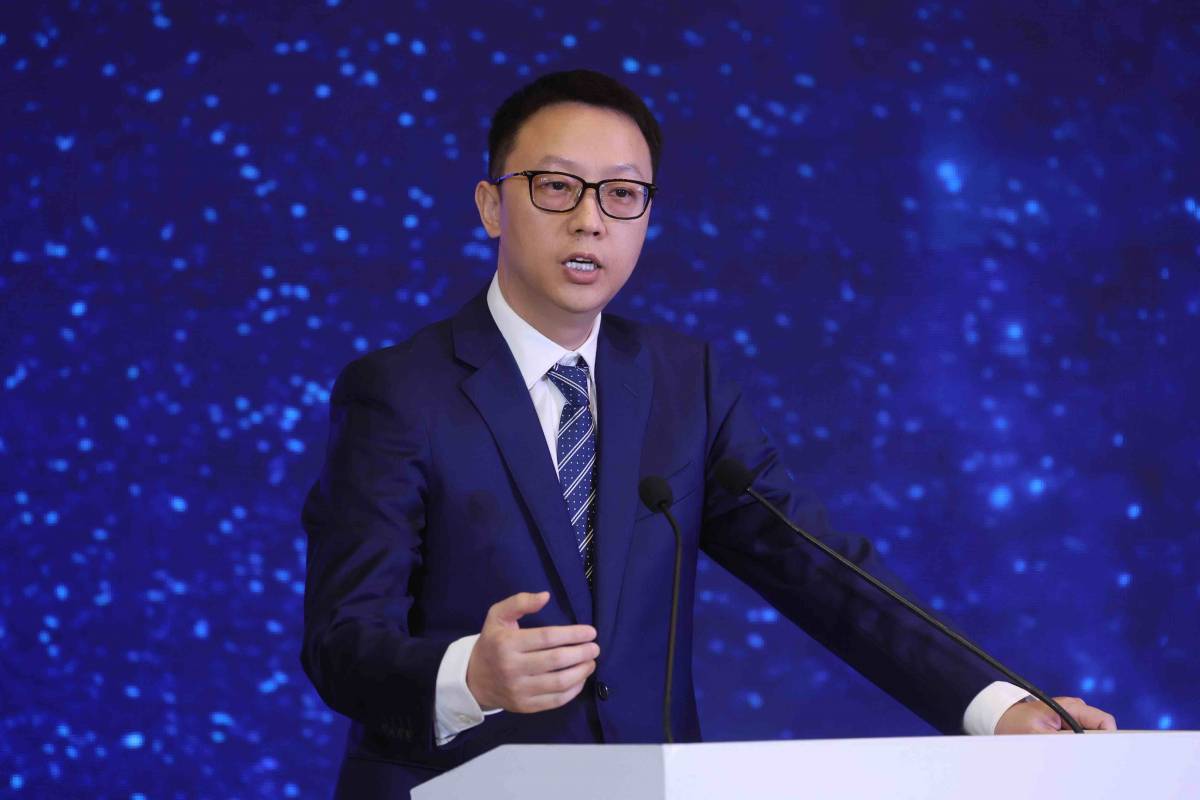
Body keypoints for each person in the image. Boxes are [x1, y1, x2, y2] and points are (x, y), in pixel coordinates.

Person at [300, 68, 1116, 798]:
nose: (590, 220)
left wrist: (997, 705)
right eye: (556, 187)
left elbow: (817, 568)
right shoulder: (399, 393)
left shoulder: (681, 383)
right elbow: (341, 641)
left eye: (623, 194)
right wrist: (468, 678)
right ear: (490, 205)